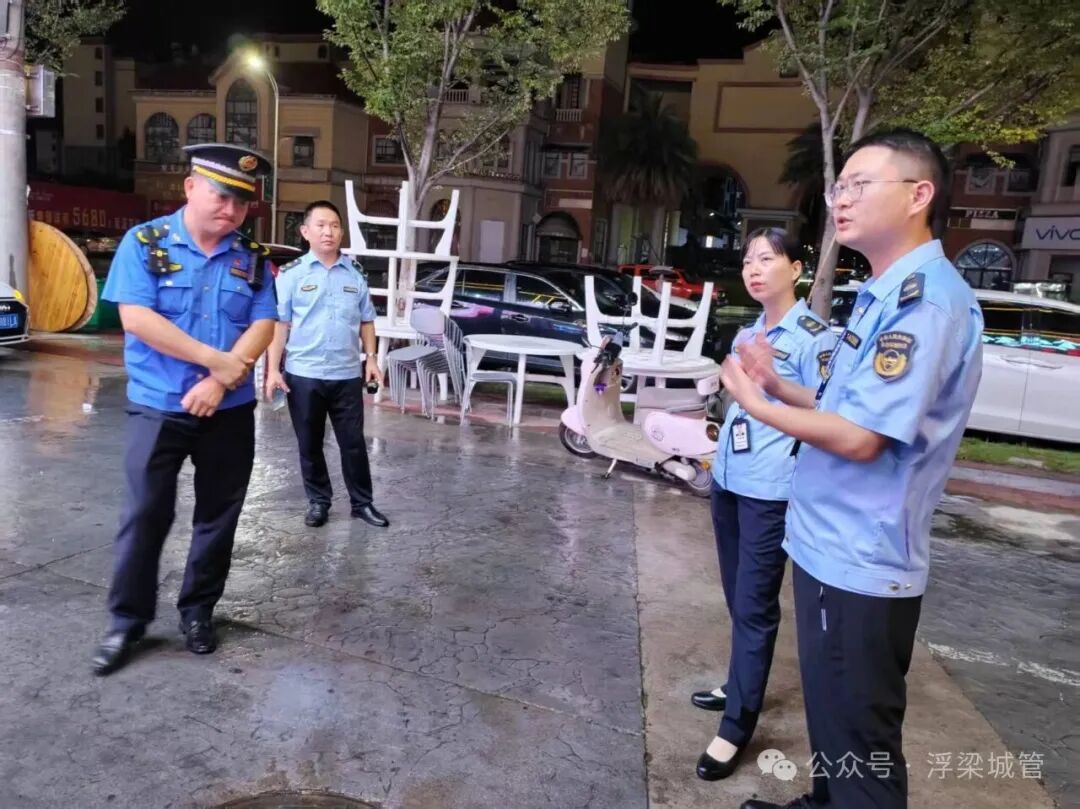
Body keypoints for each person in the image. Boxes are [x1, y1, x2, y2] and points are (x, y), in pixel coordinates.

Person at [721, 129, 983, 809]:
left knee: (863, 744)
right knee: (832, 713)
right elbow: (845, 405)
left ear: (919, 195)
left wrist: (756, 404)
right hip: (827, 543)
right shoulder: (880, 294)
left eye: (861, 184)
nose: (841, 198)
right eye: (840, 185)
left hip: (862, 556)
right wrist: (778, 386)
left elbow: (864, 438)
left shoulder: (924, 302)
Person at [92, 144, 278, 676]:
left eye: (242, 202)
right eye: (222, 196)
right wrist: (214, 361)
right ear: (191, 187)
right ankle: (127, 622)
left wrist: (220, 382)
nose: (232, 210)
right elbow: (137, 319)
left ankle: (198, 612)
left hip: (230, 409)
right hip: (159, 406)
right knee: (145, 514)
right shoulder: (145, 243)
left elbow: (264, 324)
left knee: (219, 515)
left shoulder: (252, 257)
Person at [693, 228, 836, 781]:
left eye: (767, 259)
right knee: (736, 596)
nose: (753, 269)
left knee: (754, 605)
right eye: (748, 260)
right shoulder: (749, 330)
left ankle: (736, 725)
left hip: (770, 491)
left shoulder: (814, 337)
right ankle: (740, 684)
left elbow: (826, 408)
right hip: (730, 479)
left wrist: (769, 382)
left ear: (796, 269)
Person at [263, 200, 387, 529]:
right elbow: (280, 325)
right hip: (303, 374)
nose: (328, 231)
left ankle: (362, 503)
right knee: (310, 443)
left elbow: (367, 320)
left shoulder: (355, 273)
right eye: (320, 225)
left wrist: (371, 358)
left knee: (353, 443)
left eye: (334, 225)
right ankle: (319, 501)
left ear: (341, 232)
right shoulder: (291, 274)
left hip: (346, 374)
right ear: (305, 232)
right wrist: (273, 370)